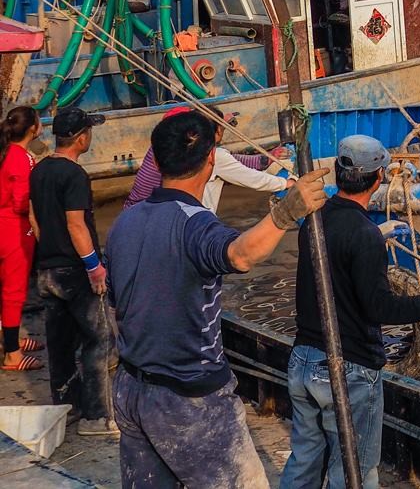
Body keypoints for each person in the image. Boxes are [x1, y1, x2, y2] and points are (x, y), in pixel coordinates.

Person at [106, 110, 330, 488]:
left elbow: (116, 309)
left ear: (156, 159)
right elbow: (240, 254)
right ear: (211, 159)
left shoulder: (125, 222)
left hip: (131, 389)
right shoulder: (195, 222)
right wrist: (287, 211)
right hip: (190, 399)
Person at [281, 135, 420, 489]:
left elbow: (335, 260)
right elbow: (381, 307)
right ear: (379, 177)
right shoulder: (363, 235)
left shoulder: (314, 219)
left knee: (304, 461)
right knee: (355, 469)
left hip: (303, 362)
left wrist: (375, 233)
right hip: (347, 370)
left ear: (339, 175)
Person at [28, 108, 116, 435]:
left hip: (46, 269)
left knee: (60, 343)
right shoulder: (75, 175)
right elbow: (76, 224)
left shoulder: (38, 171)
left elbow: (34, 219)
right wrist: (94, 267)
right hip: (74, 270)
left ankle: (66, 409)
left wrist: (49, 250)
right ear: (81, 138)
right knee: (97, 340)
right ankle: (96, 417)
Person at [124, 104, 294, 213]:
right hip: (180, 220)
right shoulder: (210, 156)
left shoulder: (163, 148)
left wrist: (263, 160)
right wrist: (285, 183)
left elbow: (228, 161)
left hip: (143, 215)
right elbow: (251, 178)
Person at [0, 106, 41, 371]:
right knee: (14, 292)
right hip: (14, 230)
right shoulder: (21, 159)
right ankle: (12, 355)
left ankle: (9, 339)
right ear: (32, 129)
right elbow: (21, 202)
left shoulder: (7, 153)